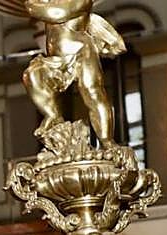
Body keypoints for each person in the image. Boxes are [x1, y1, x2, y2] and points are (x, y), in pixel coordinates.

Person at [22, 0, 126, 145]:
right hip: (57, 60)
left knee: (93, 94)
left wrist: (31, 5)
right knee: (32, 75)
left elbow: (57, 13)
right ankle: (53, 115)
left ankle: (107, 142)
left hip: (81, 52)